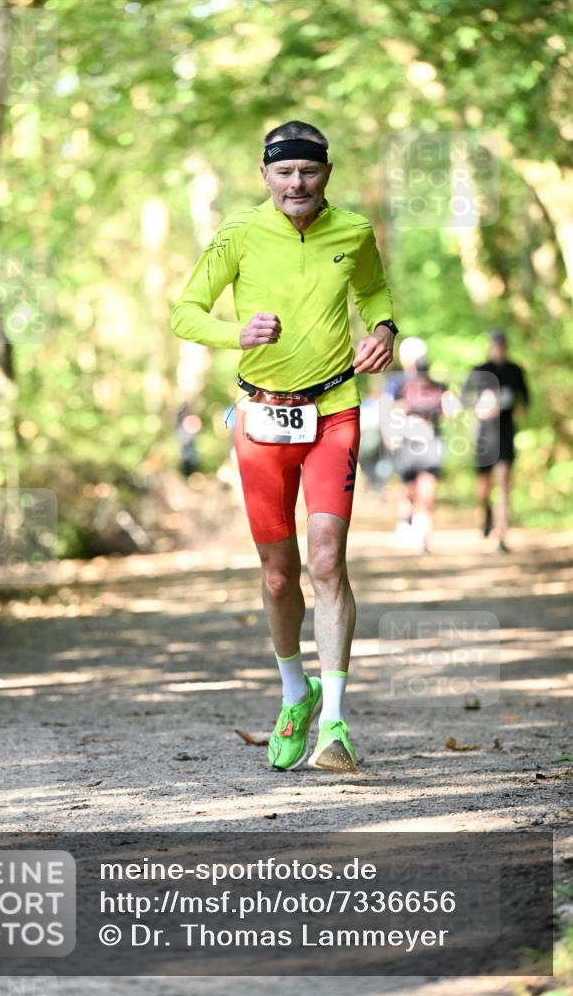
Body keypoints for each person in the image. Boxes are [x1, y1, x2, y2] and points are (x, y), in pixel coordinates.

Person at [171, 120, 397, 773]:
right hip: (261, 419)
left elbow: (374, 292)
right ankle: (296, 694)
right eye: (283, 172)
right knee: (278, 577)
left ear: (326, 172)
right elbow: (184, 311)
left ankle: (335, 726)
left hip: (334, 409)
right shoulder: (239, 233)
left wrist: (382, 327)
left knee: (326, 563)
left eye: (308, 171)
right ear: (264, 174)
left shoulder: (353, 231)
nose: (296, 183)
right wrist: (234, 333)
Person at [464, 329, 529, 553]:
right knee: (484, 487)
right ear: (491, 346)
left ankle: (502, 534)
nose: (499, 348)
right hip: (484, 436)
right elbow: (465, 399)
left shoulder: (516, 371)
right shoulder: (480, 370)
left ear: (506, 346)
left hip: (506, 434)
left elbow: (525, 403)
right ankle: (485, 514)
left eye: (502, 345)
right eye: (496, 345)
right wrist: (481, 406)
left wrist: (512, 405)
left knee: (504, 484)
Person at [383, 338, 448, 553]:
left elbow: (449, 408)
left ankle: (423, 537)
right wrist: (392, 433)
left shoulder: (437, 387)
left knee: (426, 493)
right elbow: (390, 409)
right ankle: (406, 520)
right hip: (407, 445)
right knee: (409, 490)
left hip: (429, 447)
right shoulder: (397, 383)